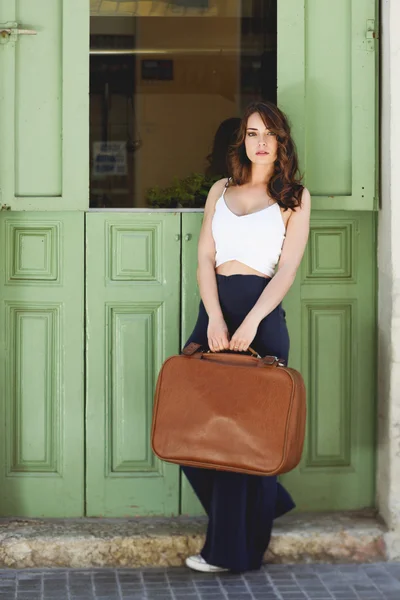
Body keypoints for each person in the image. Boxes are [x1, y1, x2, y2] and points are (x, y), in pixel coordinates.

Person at [181, 100, 311, 574]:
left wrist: (252, 322)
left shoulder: (295, 196)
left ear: (281, 143)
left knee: (245, 439)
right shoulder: (220, 189)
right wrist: (214, 318)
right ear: (243, 140)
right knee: (191, 432)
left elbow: (288, 269)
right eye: (252, 133)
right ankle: (266, 501)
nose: (260, 142)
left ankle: (227, 553)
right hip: (213, 314)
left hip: (262, 315)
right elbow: (204, 258)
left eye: (269, 134)